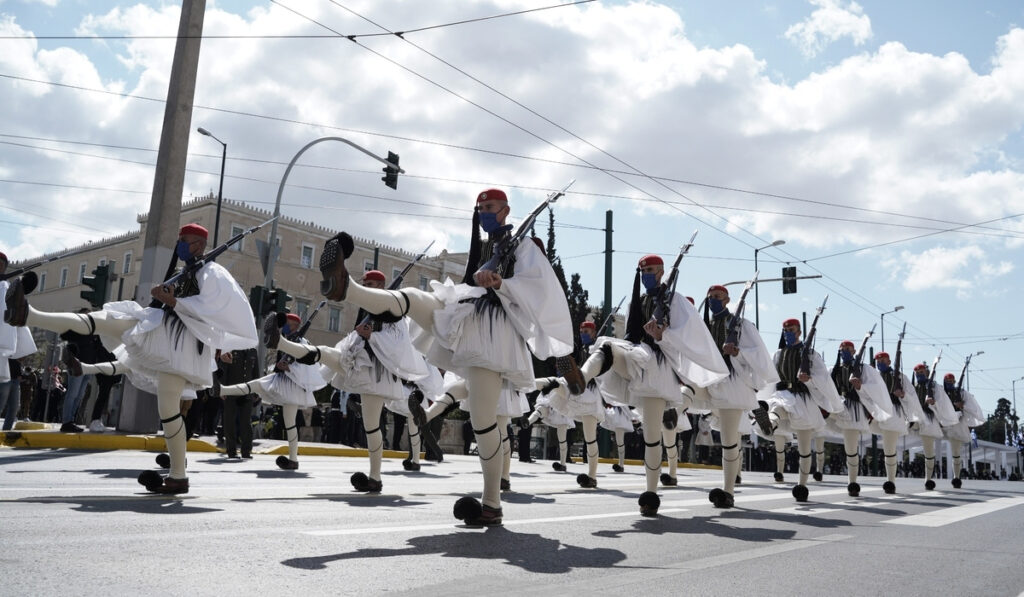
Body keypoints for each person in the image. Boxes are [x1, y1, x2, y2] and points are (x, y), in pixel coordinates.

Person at [291, 188, 575, 525]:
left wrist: (502, 283)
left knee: (484, 422)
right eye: (481, 207)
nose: (484, 212)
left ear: (506, 210)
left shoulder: (523, 247)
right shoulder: (485, 246)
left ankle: (492, 502)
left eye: (491, 207)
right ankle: (346, 287)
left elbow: (539, 291)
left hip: (495, 333)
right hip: (465, 312)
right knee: (412, 298)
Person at [5, 223, 258, 493]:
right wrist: (165, 298)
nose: (180, 245)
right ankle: (29, 315)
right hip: (161, 328)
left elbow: (217, 312)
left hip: (182, 344)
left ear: (199, 244)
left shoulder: (212, 272)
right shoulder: (187, 271)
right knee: (108, 319)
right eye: (179, 240)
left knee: (168, 409)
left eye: (184, 241)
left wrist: (174, 302)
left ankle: (178, 475)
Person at [565, 254, 728, 516]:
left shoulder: (675, 301)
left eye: (650, 270)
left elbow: (690, 341)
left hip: (659, 369)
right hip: (636, 358)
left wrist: (663, 335)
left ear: (662, 272)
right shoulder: (637, 302)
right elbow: (631, 335)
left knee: (652, 436)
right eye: (642, 270)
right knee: (607, 347)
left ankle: (651, 493)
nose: (645, 274)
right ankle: (581, 377)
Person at [269, 269, 437, 490]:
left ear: (380, 286)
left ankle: (375, 477)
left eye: (369, 283)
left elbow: (400, 344)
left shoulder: (392, 310)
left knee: (371, 426)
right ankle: (280, 342)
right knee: (324, 352)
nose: (365, 286)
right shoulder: (365, 309)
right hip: (354, 360)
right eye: (364, 283)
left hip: (376, 373)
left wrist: (372, 335)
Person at [693, 283, 778, 508]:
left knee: (729, 439)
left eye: (717, 296)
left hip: (731, 384)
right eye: (710, 296)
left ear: (727, 300)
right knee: (684, 394)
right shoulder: (704, 326)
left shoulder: (740, 325)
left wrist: (738, 352)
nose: (712, 300)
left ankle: (728, 491)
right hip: (709, 381)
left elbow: (759, 355)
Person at [217, 314, 324, 470]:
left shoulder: (302, 342)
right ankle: (222, 389)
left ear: (295, 325)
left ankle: (293, 459)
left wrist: (289, 367)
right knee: (256, 385)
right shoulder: (286, 339)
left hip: (292, 385)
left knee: (290, 423)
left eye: (288, 323)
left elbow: (310, 367)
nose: (285, 326)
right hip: (281, 380)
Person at [755, 318, 843, 502]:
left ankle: (802, 485)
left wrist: (808, 379)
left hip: (803, 399)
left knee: (804, 447)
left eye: (791, 329)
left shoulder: (810, 354)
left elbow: (824, 379)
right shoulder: (778, 353)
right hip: (783, 393)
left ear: (799, 332)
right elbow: (770, 375)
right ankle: (769, 424)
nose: (787, 332)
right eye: (785, 329)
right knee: (776, 407)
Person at [825, 340, 894, 497]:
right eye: (842, 349)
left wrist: (860, 387)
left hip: (854, 410)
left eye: (848, 349)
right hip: (839, 406)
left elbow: (876, 388)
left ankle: (852, 482)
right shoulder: (833, 369)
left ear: (854, 351)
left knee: (851, 448)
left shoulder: (864, 369)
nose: (844, 352)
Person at [869, 351, 916, 494]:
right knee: (887, 447)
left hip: (893, 414)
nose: (880, 363)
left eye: (883, 360)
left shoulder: (901, 377)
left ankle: (891, 482)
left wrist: (902, 395)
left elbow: (912, 396)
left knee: (889, 449)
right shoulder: (874, 377)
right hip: (877, 414)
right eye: (878, 360)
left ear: (889, 362)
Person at [908, 361, 958, 490]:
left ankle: (928, 479)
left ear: (928, 373)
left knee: (928, 451)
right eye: (917, 373)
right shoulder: (912, 387)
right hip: (914, 419)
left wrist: (933, 403)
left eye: (922, 372)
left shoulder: (936, 388)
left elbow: (943, 404)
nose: (919, 375)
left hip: (929, 419)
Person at [940, 372, 984, 489]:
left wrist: (962, 406)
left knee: (956, 453)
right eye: (947, 381)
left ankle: (956, 477)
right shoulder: (940, 393)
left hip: (956, 424)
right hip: (942, 423)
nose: (949, 383)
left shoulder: (961, 393)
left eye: (951, 381)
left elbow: (972, 408)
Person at [216, 347, 260, 459]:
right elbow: (223, 368)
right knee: (229, 421)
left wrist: (256, 390)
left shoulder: (252, 351)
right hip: (231, 389)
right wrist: (222, 388)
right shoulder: (231, 347)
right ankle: (231, 451)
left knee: (246, 422)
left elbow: (255, 371)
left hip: (247, 390)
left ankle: (246, 451)